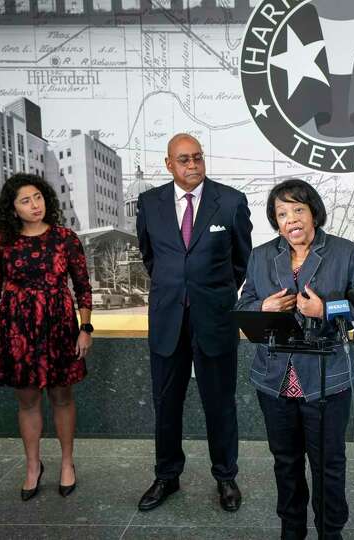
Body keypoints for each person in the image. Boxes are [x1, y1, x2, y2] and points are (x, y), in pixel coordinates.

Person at [235, 179, 354, 540]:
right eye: (281, 213)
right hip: (274, 378)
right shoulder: (261, 256)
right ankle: (291, 530)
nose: (291, 219)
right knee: (286, 462)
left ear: (313, 213)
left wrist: (325, 307)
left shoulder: (346, 252)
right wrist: (262, 306)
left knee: (329, 465)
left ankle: (331, 531)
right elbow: (243, 306)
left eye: (298, 209)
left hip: (327, 379)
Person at [135, 133, 252, 512]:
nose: (192, 165)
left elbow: (242, 261)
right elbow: (150, 257)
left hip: (214, 318)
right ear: (169, 164)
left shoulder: (230, 202)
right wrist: (178, 286)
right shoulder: (149, 203)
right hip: (168, 317)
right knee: (165, 402)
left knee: (220, 402)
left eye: (198, 157)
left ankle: (226, 477)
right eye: (183, 159)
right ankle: (166, 475)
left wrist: (213, 292)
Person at [0, 173, 93, 501]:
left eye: (38, 197)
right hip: (18, 331)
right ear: (12, 208)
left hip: (59, 329)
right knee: (27, 401)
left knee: (62, 397)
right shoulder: (2, 241)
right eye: (25, 200)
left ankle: (67, 463)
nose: (34, 205)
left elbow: (83, 286)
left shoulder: (65, 238)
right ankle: (32, 466)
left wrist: (85, 329)